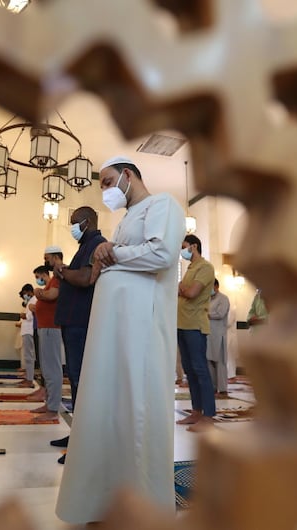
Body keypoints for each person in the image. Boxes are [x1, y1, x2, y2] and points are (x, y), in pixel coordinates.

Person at [56, 156, 185, 523]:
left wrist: (112, 254)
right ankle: (106, 499)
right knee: (110, 409)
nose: (105, 189)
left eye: (108, 181)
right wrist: (109, 253)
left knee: (136, 408)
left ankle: (142, 506)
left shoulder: (163, 205)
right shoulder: (127, 218)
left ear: (128, 175)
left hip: (140, 329)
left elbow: (161, 253)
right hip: (115, 330)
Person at [49, 206, 107, 459]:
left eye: (74, 222)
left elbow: (85, 278)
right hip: (73, 322)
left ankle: (86, 443)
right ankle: (78, 434)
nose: (72, 227)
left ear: (87, 222)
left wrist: (62, 271)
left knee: (82, 381)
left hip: (82, 323)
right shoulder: (86, 245)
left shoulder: (97, 243)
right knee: (75, 380)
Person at [176, 234, 217, 432]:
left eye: (184, 247)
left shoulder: (205, 267)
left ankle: (208, 416)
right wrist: (183, 288)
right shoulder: (190, 268)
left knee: (200, 370)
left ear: (194, 246)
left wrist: (182, 289)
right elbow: (183, 290)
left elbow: (191, 293)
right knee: (189, 370)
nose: (182, 250)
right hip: (182, 324)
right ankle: (196, 411)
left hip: (195, 325)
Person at [32, 260, 63, 423]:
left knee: (53, 369)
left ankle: (53, 409)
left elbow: (52, 296)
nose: (38, 279)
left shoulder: (56, 279)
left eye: (38, 277)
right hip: (46, 328)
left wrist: (38, 292)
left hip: (52, 328)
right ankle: (49, 403)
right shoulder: (50, 282)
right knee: (47, 368)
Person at [207, 278, 231, 398]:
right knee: (209, 361)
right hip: (209, 335)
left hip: (219, 334)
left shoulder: (223, 298)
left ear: (216, 286)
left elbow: (220, 314)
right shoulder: (208, 299)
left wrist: (206, 314)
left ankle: (223, 390)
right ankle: (213, 388)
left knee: (220, 362)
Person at [18, 283, 37, 388]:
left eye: (25, 293)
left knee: (29, 356)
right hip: (27, 331)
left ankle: (30, 380)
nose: (25, 295)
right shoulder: (31, 300)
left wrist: (22, 315)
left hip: (29, 331)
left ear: (29, 291)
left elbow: (29, 317)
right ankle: (28, 377)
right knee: (27, 356)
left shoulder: (33, 300)